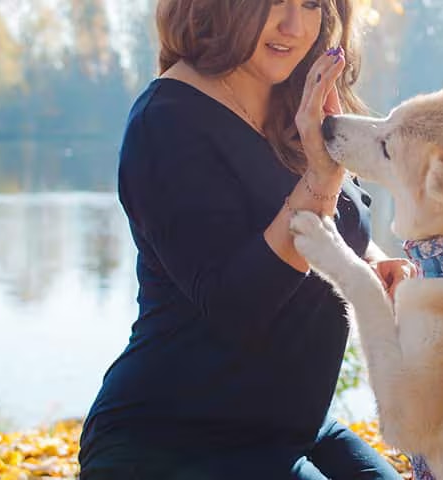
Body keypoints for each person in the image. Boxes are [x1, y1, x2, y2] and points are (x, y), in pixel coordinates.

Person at [77, 0, 413, 478]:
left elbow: (343, 231)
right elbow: (237, 303)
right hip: (174, 439)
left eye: (312, 4)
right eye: (273, 1)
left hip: (297, 426)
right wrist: (320, 176)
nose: (294, 26)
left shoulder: (296, 101)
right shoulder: (167, 122)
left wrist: (376, 266)